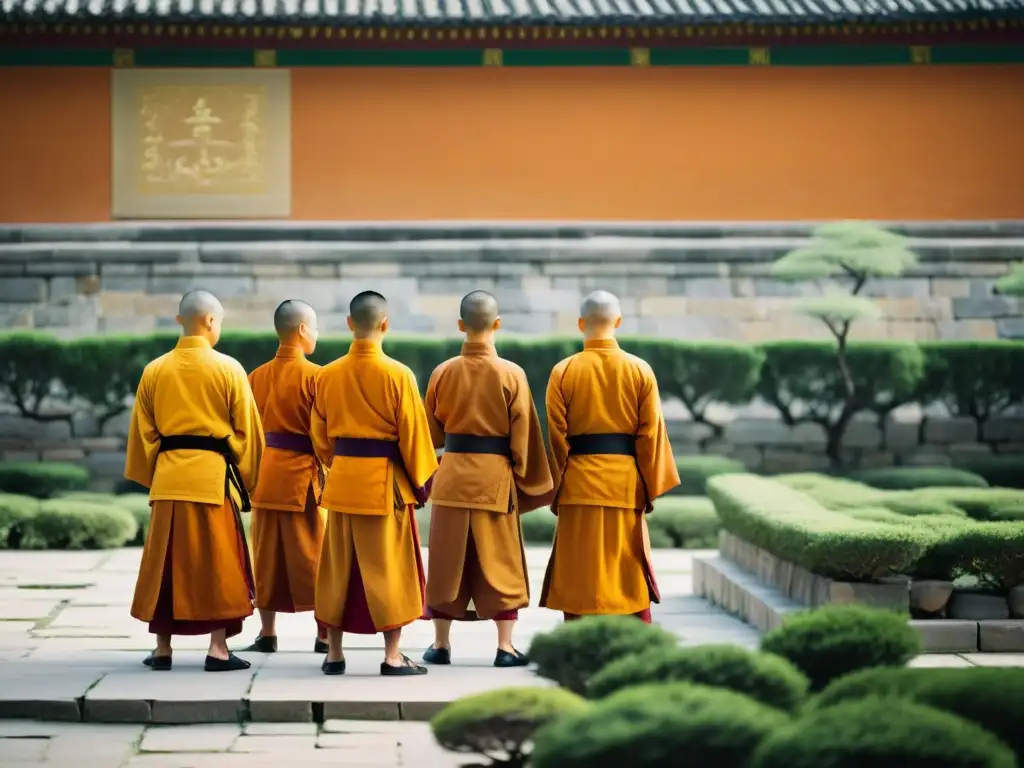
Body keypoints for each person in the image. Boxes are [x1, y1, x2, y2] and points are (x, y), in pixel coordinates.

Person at [126, 289, 265, 672]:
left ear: (179, 321)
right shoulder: (228, 368)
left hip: (170, 478)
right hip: (211, 479)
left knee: (166, 563)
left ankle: (163, 649)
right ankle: (217, 649)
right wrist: (248, 475)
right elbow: (247, 432)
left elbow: (144, 433)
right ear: (209, 322)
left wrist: (156, 469)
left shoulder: (155, 369)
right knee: (217, 561)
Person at [421, 291, 554, 668]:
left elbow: (430, 434)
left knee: (446, 562)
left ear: (461, 325)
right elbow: (524, 436)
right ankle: (505, 647)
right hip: (494, 480)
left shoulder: (442, 372)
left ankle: (441, 645)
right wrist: (528, 482)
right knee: (502, 562)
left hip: (451, 478)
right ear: (497, 324)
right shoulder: (511, 373)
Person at [312, 291, 438, 677]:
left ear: (350, 323)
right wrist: (421, 482)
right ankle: (392, 656)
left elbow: (320, 436)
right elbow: (414, 435)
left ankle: (334, 654)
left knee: (338, 568)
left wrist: (340, 464)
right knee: (390, 569)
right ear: (385, 324)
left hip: (345, 481)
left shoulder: (326, 374)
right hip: (384, 485)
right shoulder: (398, 374)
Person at [539, 290, 680, 623]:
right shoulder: (639, 369)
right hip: (624, 482)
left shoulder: (564, 370)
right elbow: (650, 435)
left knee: (578, 566)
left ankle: (577, 639)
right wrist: (648, 485)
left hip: (578, 483)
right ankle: (636, 635)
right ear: (617, 321)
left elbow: (557, 439)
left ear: (580, 323)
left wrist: (556, 488)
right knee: (627, 565)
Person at [239, 300, 329, 655]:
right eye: (316, 328)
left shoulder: (255, 376)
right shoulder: (317, 376)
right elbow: (323, 433)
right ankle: (324, 635)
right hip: (302, 478)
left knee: (267, 557)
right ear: (303, 330)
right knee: (317, 556)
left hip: (265, 475)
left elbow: (246, 431)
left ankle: (267, 633)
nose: (317, 335)